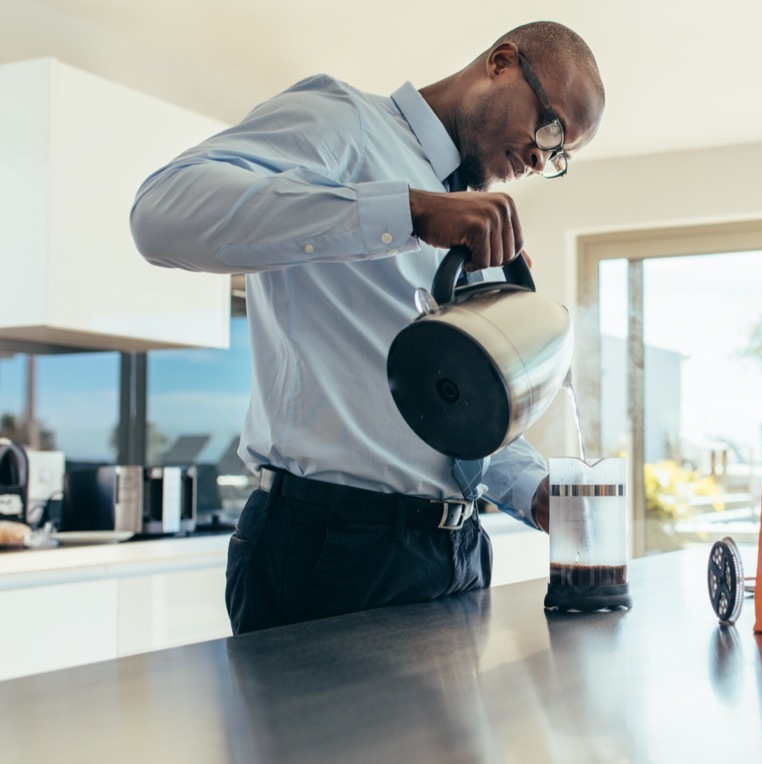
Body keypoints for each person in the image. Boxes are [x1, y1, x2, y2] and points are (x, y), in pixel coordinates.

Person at [130, 21, 605, 635]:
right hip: (330, 551)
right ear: (502, 62)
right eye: (549, 128)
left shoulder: (466, 215)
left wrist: (533, 488)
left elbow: (446, 419)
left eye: (560, 155)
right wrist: (407, 210)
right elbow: (160, 213)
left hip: (457, 555)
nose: (543, 158)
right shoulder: (346, 122)